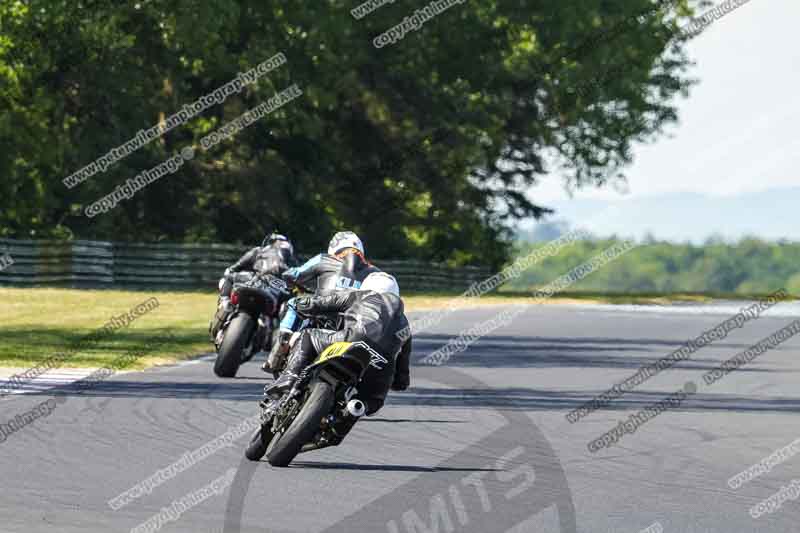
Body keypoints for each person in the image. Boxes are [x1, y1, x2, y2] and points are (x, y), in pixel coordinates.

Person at [265, 271, 411, 416]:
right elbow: (402, 376)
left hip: (351, 341)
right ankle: (350, 413)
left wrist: (301, 304)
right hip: (381, 364)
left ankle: (289, 378)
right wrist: (397, 383)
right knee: (372, 402)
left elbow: (320, 303)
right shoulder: (405, 323)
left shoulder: (360, 295)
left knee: (307, 335)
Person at [264, 230, 381, 373]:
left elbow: (294, 274)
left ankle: (277, 355)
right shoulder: (374, 272)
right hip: (355, 322)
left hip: (323, 310)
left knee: (294, 303)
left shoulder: (323, 259)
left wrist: (289, 281)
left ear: (334, 247)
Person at [209, 232, 297, 343]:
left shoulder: (258, 250)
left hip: (254, 280)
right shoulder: (292, 261)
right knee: (290, 303)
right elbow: (298, 283)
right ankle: (278, 335)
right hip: (276, 288)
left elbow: (233, 269)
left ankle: (225, 303)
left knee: (228, 278)